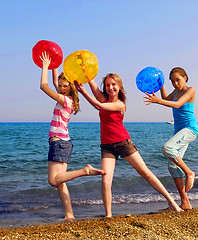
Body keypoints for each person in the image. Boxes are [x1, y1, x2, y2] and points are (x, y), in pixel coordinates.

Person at [75, 73, 183, 217]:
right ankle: (108, 215)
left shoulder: (120, 104)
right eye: (107, 85)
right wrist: (85, 69)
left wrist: (82, 92)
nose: (110, 87)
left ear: (119, 87)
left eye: (114, 84)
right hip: (107, 146)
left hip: (123, 143)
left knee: (146, 173)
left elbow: (98, 105)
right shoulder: (104, 98)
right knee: (106, 181)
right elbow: (92, 84)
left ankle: (172, 202)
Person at [40, 52, 105, 221]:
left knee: (53, 181)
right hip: (63, 142)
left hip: (59, 142)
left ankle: (85, 171)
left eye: (64, 86)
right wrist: (55, 65)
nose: (60, 88)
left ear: (70, 87)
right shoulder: (68, 99)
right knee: (60, 182)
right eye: (60, 86)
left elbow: (44, 86)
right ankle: (69, 214)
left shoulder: (66, 101)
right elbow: (54, 82)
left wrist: (45, 67)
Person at [144, 67, 198, 210]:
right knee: (172, 166)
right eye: (172, 81)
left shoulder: (190, 90)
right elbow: (165, 99)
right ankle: (185, 202)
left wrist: (157, 101)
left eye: (178, 80)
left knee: (167, 148)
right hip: (179, 131)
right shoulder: (175, 92)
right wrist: (161, 84)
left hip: (190, 129)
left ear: (185, 78)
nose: (175, 84)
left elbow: (177, 104)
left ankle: (189, 172)